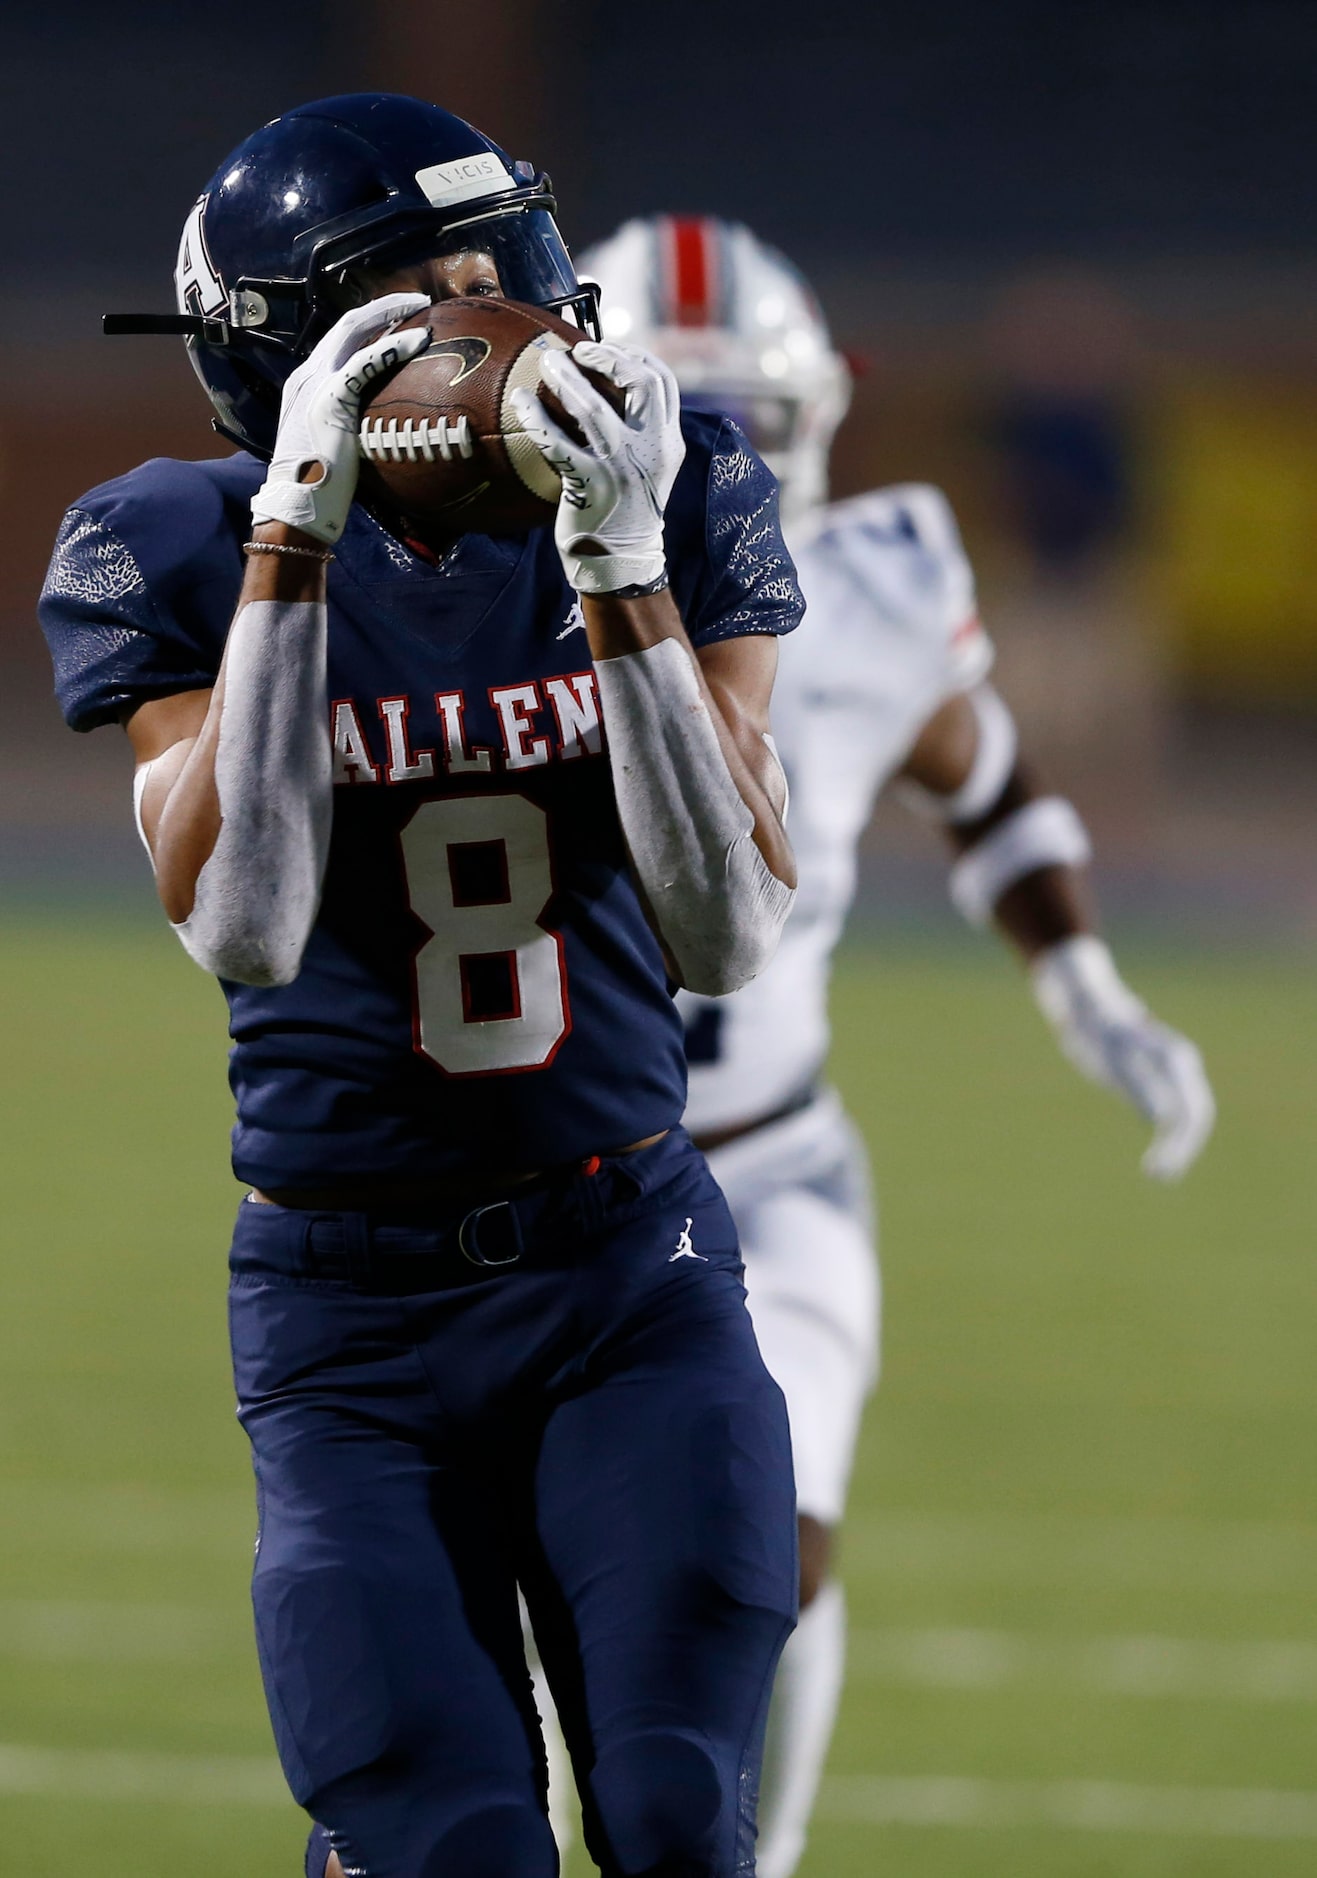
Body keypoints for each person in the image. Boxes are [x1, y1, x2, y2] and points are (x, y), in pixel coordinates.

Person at [39, 105, 806, 1878]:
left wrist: (620, 569)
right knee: (443, 1839)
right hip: (348, 1319)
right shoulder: (171, 538)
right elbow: (240, 920)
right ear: (294, 356)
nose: (506, 328)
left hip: (626, 1268)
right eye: (433, 302)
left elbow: (729, 931)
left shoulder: (671, 487)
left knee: (682, 1815)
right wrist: (293, 548)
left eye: (508, 277)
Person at [577, 214, 1217, 1878]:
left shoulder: (867, 589)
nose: (716, 467)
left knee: (773, 1550)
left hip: (773, 1161)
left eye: (743, 428)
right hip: (551, 1180)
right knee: (550, 1611)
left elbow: (990, 788)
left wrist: (1086, 987)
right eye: (680, 424)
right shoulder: (489, 610)